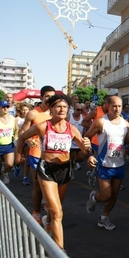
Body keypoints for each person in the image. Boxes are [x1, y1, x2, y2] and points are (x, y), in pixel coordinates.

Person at [15, 94, 91, 253]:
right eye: (58, 106)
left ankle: (48, 224)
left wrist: (88, 148)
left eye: (64, 107)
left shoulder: (72, 128)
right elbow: (22, 137)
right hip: (46, 169)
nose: (62, 109)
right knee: (57, 211)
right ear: (51, 109)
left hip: (65, 170)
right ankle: (58, 251)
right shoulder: (43, 126)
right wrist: (18, 155)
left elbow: (83, 150)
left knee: (55, 210)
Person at [85, 95, 129, 230]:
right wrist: (89, 155)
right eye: (114, 106)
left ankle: (104, 217)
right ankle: (94, 197)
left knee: (114, 195)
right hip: (104, 164)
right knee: (106, 195)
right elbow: (86, 138)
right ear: (108, 106)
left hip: (119, 164)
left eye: (119, 106)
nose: (117, 109)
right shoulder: (101, 122)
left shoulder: (125, 124)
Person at [18, 85, 56, 224]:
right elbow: (22, 133)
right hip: (36, 155)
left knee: (52, 184)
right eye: (47, 96)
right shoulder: (33, 113)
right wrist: (27, 139)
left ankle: (48, 206)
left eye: (52, 96)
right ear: (41, 98)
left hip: (53, 156)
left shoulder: (57, 113)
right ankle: (36, 212)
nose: (50, 99)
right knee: (38, 186)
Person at [0, 101, 18, 184]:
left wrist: (15, 138)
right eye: (3, 107)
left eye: (7, 107)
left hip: (9, 145)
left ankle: (5, 173)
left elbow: (17, 129)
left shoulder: (13, 119)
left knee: (10, 164)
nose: (5, 108)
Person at [14, 102, 31, 184]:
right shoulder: (17, 119)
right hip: (18, 140)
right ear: (21, 110)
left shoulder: (31, 119)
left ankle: (25, 177)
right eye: (23, 110)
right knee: (18, 159)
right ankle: (17, 166)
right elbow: (15, 130)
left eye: (26, 110)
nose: (25, 111)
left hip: (28, 140)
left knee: (26, 160)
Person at [68, 102, 85, 176]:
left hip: (79, 140)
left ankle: (75, 163)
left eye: (81, 110)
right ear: (74, 109)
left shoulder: (83, 118)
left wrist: (84, 137)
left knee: (81, 158)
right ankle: (70, 172)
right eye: (78, 110)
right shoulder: (68, 117)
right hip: (70, 141)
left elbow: (84, 128)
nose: (80, 112)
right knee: (70, 158)